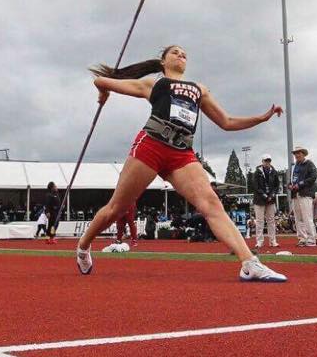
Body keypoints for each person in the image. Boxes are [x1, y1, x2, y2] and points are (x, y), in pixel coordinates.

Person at [75, 44, 287, 281]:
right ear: (163, 61)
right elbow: (101, 81)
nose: (181, 54)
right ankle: (83, 246)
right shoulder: (154, 84)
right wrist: (103, 94)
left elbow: (226, 121)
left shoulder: (199, 90)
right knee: (118, 208)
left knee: (212, 204)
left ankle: (249, 263)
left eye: (184, 53)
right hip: (151, 145)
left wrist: (262, 117)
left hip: (182, 152)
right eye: (174, 52)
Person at [289, 146, 317, 247]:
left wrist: (300, 184)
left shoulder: (309, 164)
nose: (297, 155)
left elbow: (313, 177)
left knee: (307, 217)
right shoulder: (294, 166)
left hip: (305, 193)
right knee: (298, 218)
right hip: (295, 194)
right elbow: (291, 179)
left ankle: (312, 238)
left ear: (303, 154)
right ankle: (302, 238)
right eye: (295, 153)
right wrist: (289, 184)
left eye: (299, 153)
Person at [251, 154, 280, 248]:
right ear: (262, 162)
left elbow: (276, 186)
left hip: (270, 200)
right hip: (259, 200)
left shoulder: (274, 172)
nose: (267, 163)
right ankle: (259, 241)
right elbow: (255, 186)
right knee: (259, 221)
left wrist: (272, 195)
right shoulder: (257, 172)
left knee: (271, 220)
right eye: (265, 161)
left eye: (269, 161)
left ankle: (273, 241)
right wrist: (264, 195)